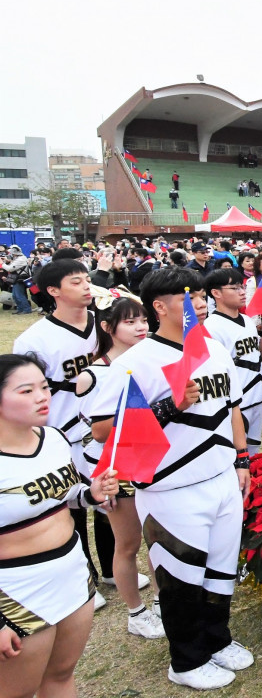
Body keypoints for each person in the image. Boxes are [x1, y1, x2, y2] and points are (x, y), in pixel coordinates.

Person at [90, 267, 254, 689]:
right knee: (181, 577)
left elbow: (233, 408)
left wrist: (242, 462)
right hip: (171, 487)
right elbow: (104, 428)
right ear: (159, 306)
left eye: (201, 296)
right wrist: (170, 407)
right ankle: (185, 659)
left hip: (221, 478)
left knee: (220, 569)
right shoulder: (136, 361)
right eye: (188, 297)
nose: (198, 304)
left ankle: (217, 639)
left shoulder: (213, 348)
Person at [0, 354, 119, 698]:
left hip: (72, 575)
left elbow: (62, 496)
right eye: (26, 390)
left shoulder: (52, 438)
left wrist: (91, 494)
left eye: (43, 386)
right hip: (17, 592)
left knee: (62, 675)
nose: (42, 396)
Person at [13, 259, 110, 606]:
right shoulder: (34, 339)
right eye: (76, 282)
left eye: (87, 280)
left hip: (103, 427)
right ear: (53, 291)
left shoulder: (105, 324)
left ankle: (112, 570)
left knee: (108, 500)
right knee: (71, 506)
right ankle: (87, 578)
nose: (86, 286)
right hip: (61, 435)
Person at [75, 295, 162, 638]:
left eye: (143, 319)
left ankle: (160, 601)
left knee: (157, 538)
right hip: (115, 468)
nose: (141, 327)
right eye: (130, 321)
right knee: (127, 544)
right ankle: (136, 612)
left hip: (152, 462)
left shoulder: (152, 360)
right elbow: (96, 432)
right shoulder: (93, 375)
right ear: (108, 327)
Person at [204, 268, 262, 454]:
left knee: (254, 449)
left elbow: (257, 353)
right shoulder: (211, 327)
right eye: (234, 288)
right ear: (216, 293)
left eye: (242, 287)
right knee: (237, 452)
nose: (242, 292)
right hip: (236, 402)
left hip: (256, 395)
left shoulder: (246, 320)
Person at [3, 246, 32, 314]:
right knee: (15, 295)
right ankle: (20, 308)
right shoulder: (20, 258)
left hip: (20, 278)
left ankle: (26, 309)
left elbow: (10, 269)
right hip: (18, 278)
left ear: (15, 254)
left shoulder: (20, 259)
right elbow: (13, 265)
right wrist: (8, 261)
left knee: (19, 295)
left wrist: (2, 263)